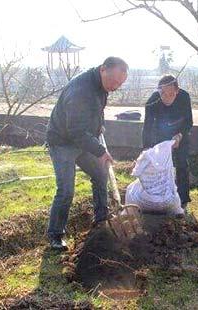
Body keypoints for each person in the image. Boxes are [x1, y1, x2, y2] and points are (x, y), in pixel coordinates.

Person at [46, 56, 128, 250]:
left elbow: (97, 112)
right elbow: (75, 130)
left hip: (84, 140)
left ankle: (101, 219)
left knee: (100, 175)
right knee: (66, 190)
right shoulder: (80, 91)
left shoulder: (102, 86)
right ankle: (55, 235)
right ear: (102, 69)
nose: (115, 86)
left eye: (119, 84)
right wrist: (100, 150)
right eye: (113, 81)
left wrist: (100, 128)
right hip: (63, 142)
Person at [142, 75, 193, 212]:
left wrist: (180, 135)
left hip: (180, 133)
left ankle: (183, 198)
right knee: (161, 166)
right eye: (162, 93)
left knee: (182, 164)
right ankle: (161, 198)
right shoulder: (152, 101)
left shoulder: (184, 97)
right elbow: (147, 127)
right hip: (161, 134)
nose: (166, 97)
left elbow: (189, 121)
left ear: (177, 91)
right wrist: (146, 148)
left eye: (170, 94)